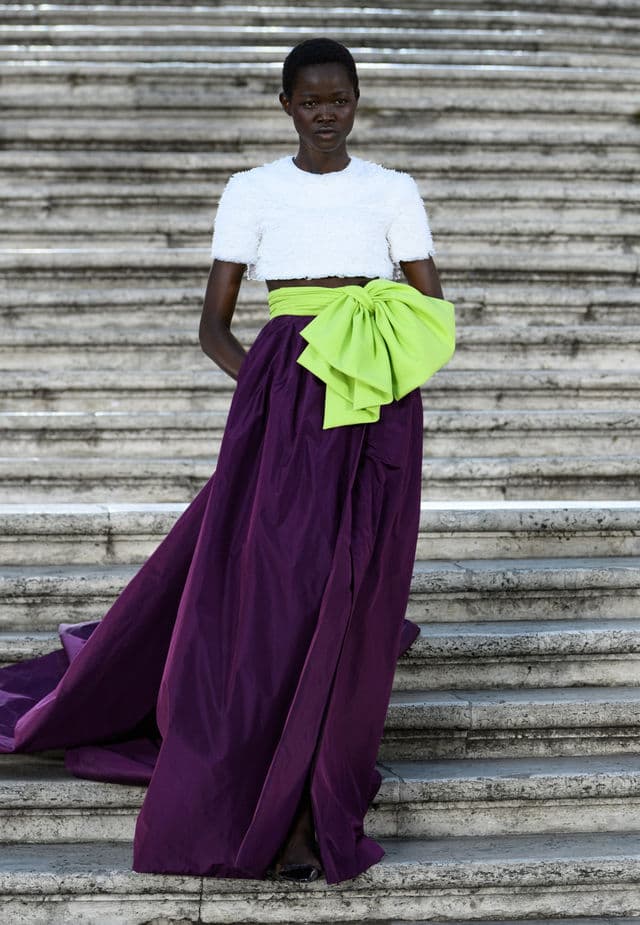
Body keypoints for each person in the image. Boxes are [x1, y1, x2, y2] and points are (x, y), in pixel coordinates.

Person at [0, 38, 455, 886]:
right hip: (287, 404)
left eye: (341, 99)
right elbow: (213, 324)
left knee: (350, 592)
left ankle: (319, 803)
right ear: (286, 104)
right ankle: (266, 796)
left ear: (358, 102)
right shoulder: (252, 191)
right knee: (280, 591)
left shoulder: (392, 191)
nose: (327, 114)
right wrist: (275, 395)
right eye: (311, 101)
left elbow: (432, 308)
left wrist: (371, 360)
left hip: (378, 406)